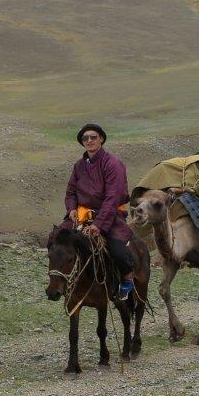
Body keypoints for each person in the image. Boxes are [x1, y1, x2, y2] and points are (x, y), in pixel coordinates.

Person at [63, 123, 136, 301]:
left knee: (117, 250)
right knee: (58, 239)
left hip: (110, 215)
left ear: (101, 139)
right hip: (81, 215)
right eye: (85, 138)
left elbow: (113, 197)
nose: (89, 140)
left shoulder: (113, 164)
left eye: (93, 137)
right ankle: (61, 279)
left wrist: (98, 225)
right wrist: (71, 208)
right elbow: (71, 192)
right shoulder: (79, 166)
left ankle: (126, 281)